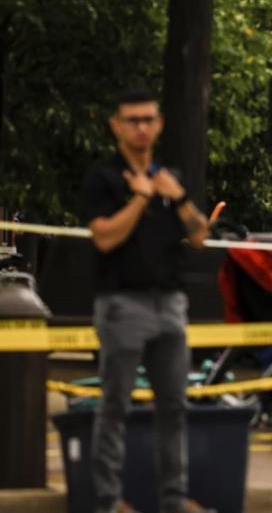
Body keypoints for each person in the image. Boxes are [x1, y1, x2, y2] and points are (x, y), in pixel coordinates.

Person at [81, 89, 212, 513]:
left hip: (170, 302)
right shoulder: (103, 177)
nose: (141, 127)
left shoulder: (171, 176)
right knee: (114, 405)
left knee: (174, 407)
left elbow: (198, 235)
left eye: (147, 119)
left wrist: (175, 196)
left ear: (159, 125)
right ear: (116, 126)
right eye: (132, 120)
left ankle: (172, 501)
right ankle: (108, 501)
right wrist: (140, 197)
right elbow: (104, 237)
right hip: (122, 303)